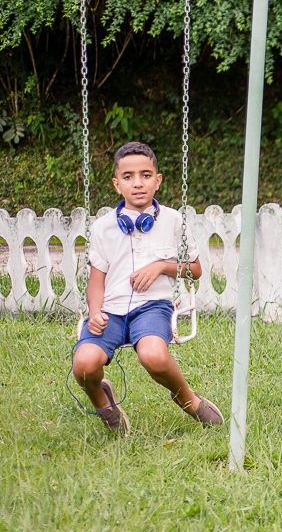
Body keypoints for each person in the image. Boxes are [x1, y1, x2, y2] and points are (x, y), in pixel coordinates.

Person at [72, 141, 224, 434]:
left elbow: (195, 270)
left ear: (158, 180)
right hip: (110, 310)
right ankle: (103, 401)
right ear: (117, 185)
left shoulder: (172, 221)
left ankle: (188, 399)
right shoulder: (102, 227)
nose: (137, 183)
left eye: (145, 175)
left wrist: (161, 267)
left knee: (153, 355)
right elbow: (96, 281)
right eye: (128, 177)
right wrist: (93, 312)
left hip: (152, 307)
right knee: (85, 365)